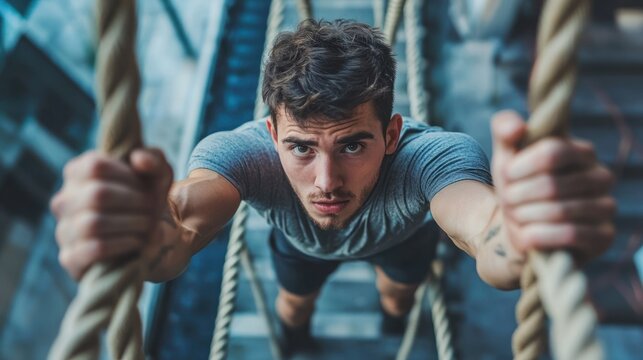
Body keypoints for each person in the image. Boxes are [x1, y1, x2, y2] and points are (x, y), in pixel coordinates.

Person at [50, 20, 615, 356]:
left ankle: (395, 323)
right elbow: (178, 232)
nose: (326, 183)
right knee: (293, 304)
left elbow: (490, 236)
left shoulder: (434, 155)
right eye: (300, 148)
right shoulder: (238, 153)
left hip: (400, 242)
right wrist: (141, 234)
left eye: (352, 145)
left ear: (391, 133)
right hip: (301, 248)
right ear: (272, 135)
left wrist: (524, 232)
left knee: (399, 296)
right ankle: (296, 345)